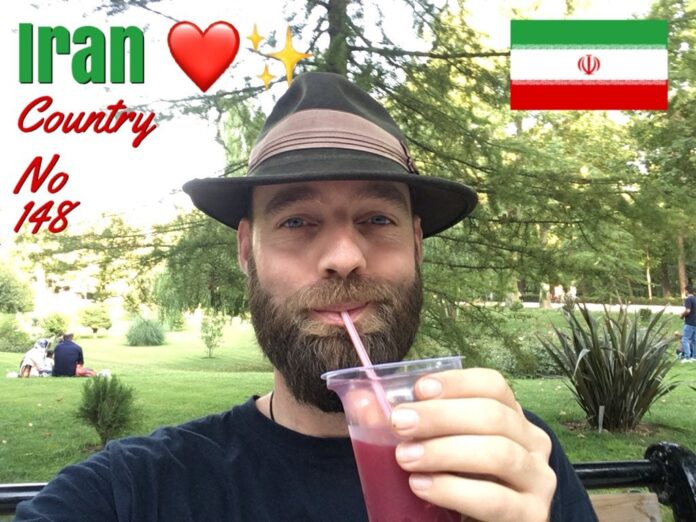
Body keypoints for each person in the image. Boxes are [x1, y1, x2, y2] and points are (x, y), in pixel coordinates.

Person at [16, 72, 597, 521]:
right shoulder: (130, 492)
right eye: (296, 222)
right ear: (246, 251)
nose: (344, 256)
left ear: (417, 244)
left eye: (377, 218)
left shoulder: (510, 457)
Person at [680, 285, 696, 363]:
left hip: (689, 322)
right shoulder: (695, 299)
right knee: (694, 340)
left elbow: (688, 311)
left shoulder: (688, 299)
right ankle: (694, 357)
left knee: (685, 339)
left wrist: (682, 315)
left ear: (687, 291)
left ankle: (687, 357)